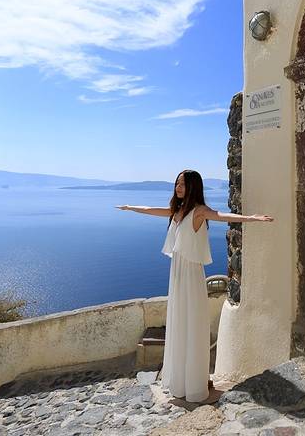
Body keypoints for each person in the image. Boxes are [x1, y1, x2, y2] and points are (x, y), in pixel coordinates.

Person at [116, 169, 273, 403]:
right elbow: (151, 210)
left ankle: (195, 383)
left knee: (191, 323)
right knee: (180, 322)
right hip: (177, 273)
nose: (178, 188)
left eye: (183, 184)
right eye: (177, 183)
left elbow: (221, 216)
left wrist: (251, 218)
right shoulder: (177, 211)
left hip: (190, 274)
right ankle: (181, 382)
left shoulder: (199, 211)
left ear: (193, 187)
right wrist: (131, 207)